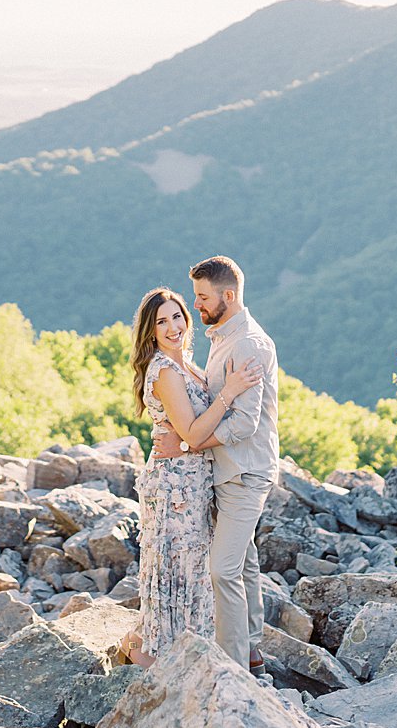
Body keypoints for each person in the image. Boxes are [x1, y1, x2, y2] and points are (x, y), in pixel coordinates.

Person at [120, 286, 262, 668]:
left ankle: (183, 651)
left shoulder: (188, 365)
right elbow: (194, 434)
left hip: (194, 480)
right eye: (161, 322)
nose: (172, 327)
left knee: (193, 570)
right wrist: (229, 392)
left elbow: (187, 440)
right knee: (176, 569)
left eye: (177, 316)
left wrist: (185, 445)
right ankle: (150, 654)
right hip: (174, 488)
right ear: (150, 331)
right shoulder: (165, 371)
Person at [152, 256, 279, 675]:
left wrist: (188, 446)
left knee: (222, 570)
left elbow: (244, 422)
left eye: (202, 297)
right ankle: (253, 648)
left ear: (228, 295)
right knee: (244, 562)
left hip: (244, 471)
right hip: (224, 470)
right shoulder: (221, 337)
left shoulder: (247, 344)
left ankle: (234, 667)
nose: (196, 305)